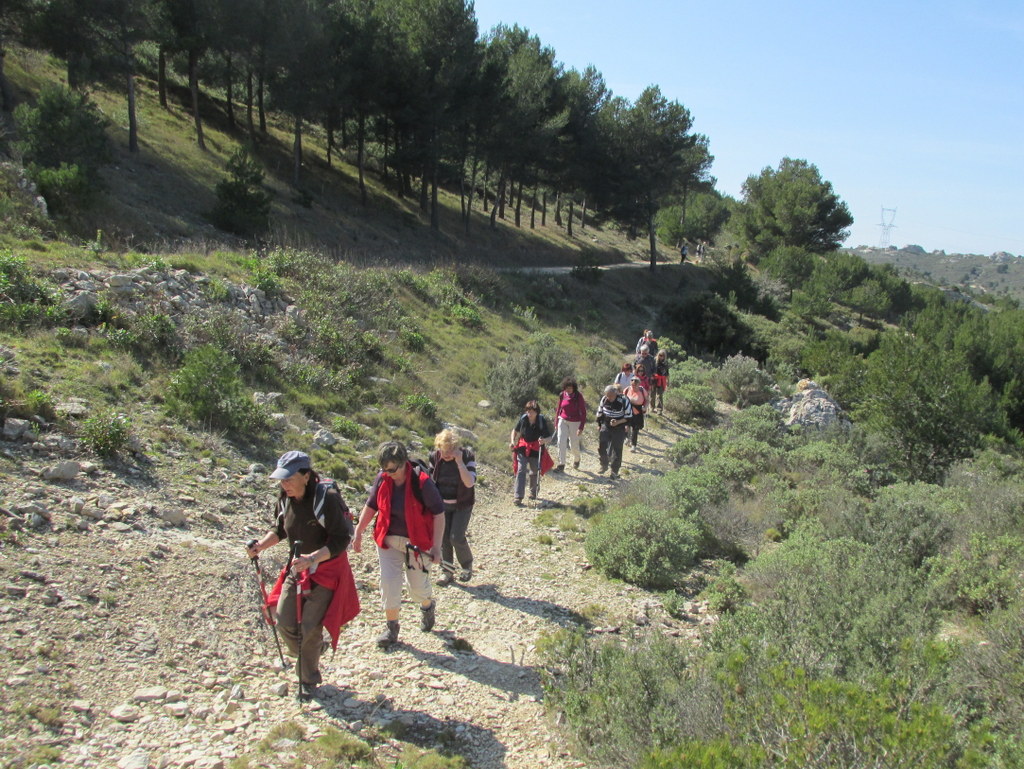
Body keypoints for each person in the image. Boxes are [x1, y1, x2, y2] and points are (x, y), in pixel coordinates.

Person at [246, 450, 360, 699]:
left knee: (309, 627)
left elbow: (342, 539)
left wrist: (312, 558)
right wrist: (261, 546)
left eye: (289, 478)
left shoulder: (326, 499)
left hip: (326, 570)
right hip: (297, 568)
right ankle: (312, 651)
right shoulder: (284, 499)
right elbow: (280, 530)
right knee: (284, 621)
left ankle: (308, 679)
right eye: (281, 479)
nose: (284, 484)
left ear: (306, 476)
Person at [353, 442, 446, 649]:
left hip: (418, 544)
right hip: (389, 541)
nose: (388, 473)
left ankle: (427, 605)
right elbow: (371, 506)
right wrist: (358, 531)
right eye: (385, 469)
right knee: (388, 583)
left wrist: (437, 547)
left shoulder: (422, 483)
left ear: (404, 463)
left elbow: (439, 514)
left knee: (416, 589)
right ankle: (391, 628)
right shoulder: (382, 479)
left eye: (392, 469)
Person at [429, 429, 477, 585]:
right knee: (444, 539)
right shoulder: (435, 457)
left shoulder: (468, 456)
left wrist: (459, 462)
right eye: (444, 450)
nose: (447, 454)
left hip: (462, 504)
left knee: (456, 537)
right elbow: (429, 482)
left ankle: (466, 566)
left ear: (456, 447)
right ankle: (447, 572)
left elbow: (469, 482)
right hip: (442, 505)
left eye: (450, 450)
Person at [509, 399, 554, 505]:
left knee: (534, 470)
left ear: (536, 412)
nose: (529, 414)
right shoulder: (523, 419)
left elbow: (549, 438)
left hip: (535, 448)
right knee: (521, 470)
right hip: (523, 447)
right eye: (528, 411)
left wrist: (543, 441)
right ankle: (518, 496)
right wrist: (512, 441)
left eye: (531, 412)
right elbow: (515, 431)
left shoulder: (541, 421)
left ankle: (533, 492)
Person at [595, 384, 630, 480]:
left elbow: (629, 417)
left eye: (610, 396)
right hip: (606, 425)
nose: (608, 398)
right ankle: (604, 464)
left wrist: (618, 422)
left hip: (619, 428)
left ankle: (614, 472)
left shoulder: (624, 400)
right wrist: (599, 424)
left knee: (617, 449)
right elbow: (600, 412)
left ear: (616, 394)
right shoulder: (604, 399)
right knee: (602, 445)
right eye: (607, 395)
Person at [554, 377, 588, 473]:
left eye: (570, 388)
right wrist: (556, 422)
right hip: (563, 420)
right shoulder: (562, 395)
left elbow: (583, 412)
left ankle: (577, 459)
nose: (568, 390)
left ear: (574, 388)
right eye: (566, 387)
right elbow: (558, 410)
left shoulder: (578, 396)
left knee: (573, 445)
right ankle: (561, 464)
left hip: (575, 422)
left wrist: (581, 427)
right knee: (560, 441)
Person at [624, 375, 649, 451]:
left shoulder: (642, 390)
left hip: (638, 410)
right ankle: (627, 438)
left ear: (639, 384)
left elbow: (647, 399)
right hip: (628, 409)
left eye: (636, 383)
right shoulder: (627, 389)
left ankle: (633, 445)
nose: (634, 385)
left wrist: (645, 407)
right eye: (632, 383)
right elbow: (622, 398)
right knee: (626, 426)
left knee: (635, 428)